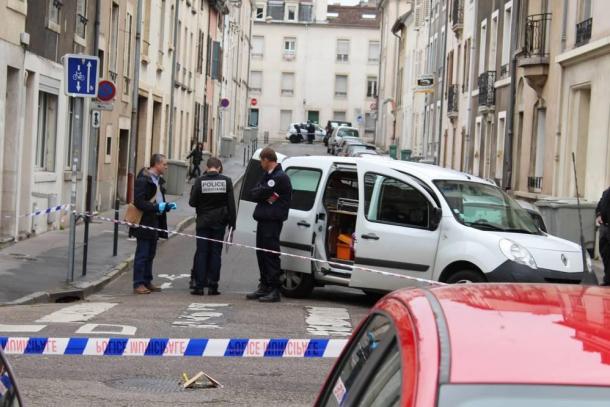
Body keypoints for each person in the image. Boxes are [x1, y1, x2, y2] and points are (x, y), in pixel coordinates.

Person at [246, 147, 293, 302]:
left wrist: (264, 194)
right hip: (263, 219)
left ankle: (274, 289)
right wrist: (264, 195)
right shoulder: (267, 175)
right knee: (261, 253)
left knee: (271, 254)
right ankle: (264, 285)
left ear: (267, 159)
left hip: (272, 221)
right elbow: (254, 193)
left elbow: (262, 192)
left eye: (261, 160)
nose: (260, 163)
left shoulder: (280, 177)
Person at [131, 154, 177, 294]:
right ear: (156, 164)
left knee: (150, 253)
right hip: (144, 221)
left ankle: (147, 281)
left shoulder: (157, 180)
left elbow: (158, 199)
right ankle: (138, 283)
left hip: (155, 220)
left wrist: (166, 206)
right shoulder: (143, 180)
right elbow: (139, 202)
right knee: (142, 254)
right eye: (164, 164)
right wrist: (157, 207)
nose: (166, 167)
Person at [189, 157, 236, 295]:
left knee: (202, 252)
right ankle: (213, 285)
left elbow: (192, 202)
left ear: (207, 167)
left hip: (203, 222)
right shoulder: (226, 181)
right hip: (219, 223)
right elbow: (231, 205)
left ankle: (199, 286)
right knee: (216, 253)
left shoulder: (199, 181)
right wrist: (232, 224)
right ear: (219, 168)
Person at [595, 187, 610, 286]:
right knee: (604, 252)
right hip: (605, 227)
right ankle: (608, 278)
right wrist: (599, 215)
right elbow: (599, 206)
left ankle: (608, 279)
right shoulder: (606, 192)